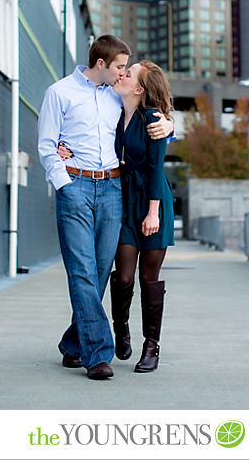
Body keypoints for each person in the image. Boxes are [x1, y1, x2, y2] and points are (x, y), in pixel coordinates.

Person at [37, 35, 173, 381]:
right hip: (76, 187)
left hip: (113, 188)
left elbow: (149, 113)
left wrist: (171, 127)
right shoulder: (60, 93)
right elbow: (47, 146)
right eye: (119, 67)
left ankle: (73, 344)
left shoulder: (117, 94)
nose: (123, 73)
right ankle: (98, 353)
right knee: (82, 269)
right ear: (102, 64)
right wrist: (64, 184)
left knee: (98, 271)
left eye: (126, 69)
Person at [109, 61, 175, 373]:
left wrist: (153, 213)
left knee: (149, 277)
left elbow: (155, 168)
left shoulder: (153, 119)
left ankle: (152, 345)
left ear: (139, 89)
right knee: (122, 276)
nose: (121, 74)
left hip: (152, 201)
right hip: (121, 202)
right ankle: (120, 328)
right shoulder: (113, 110)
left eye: (129, 73)